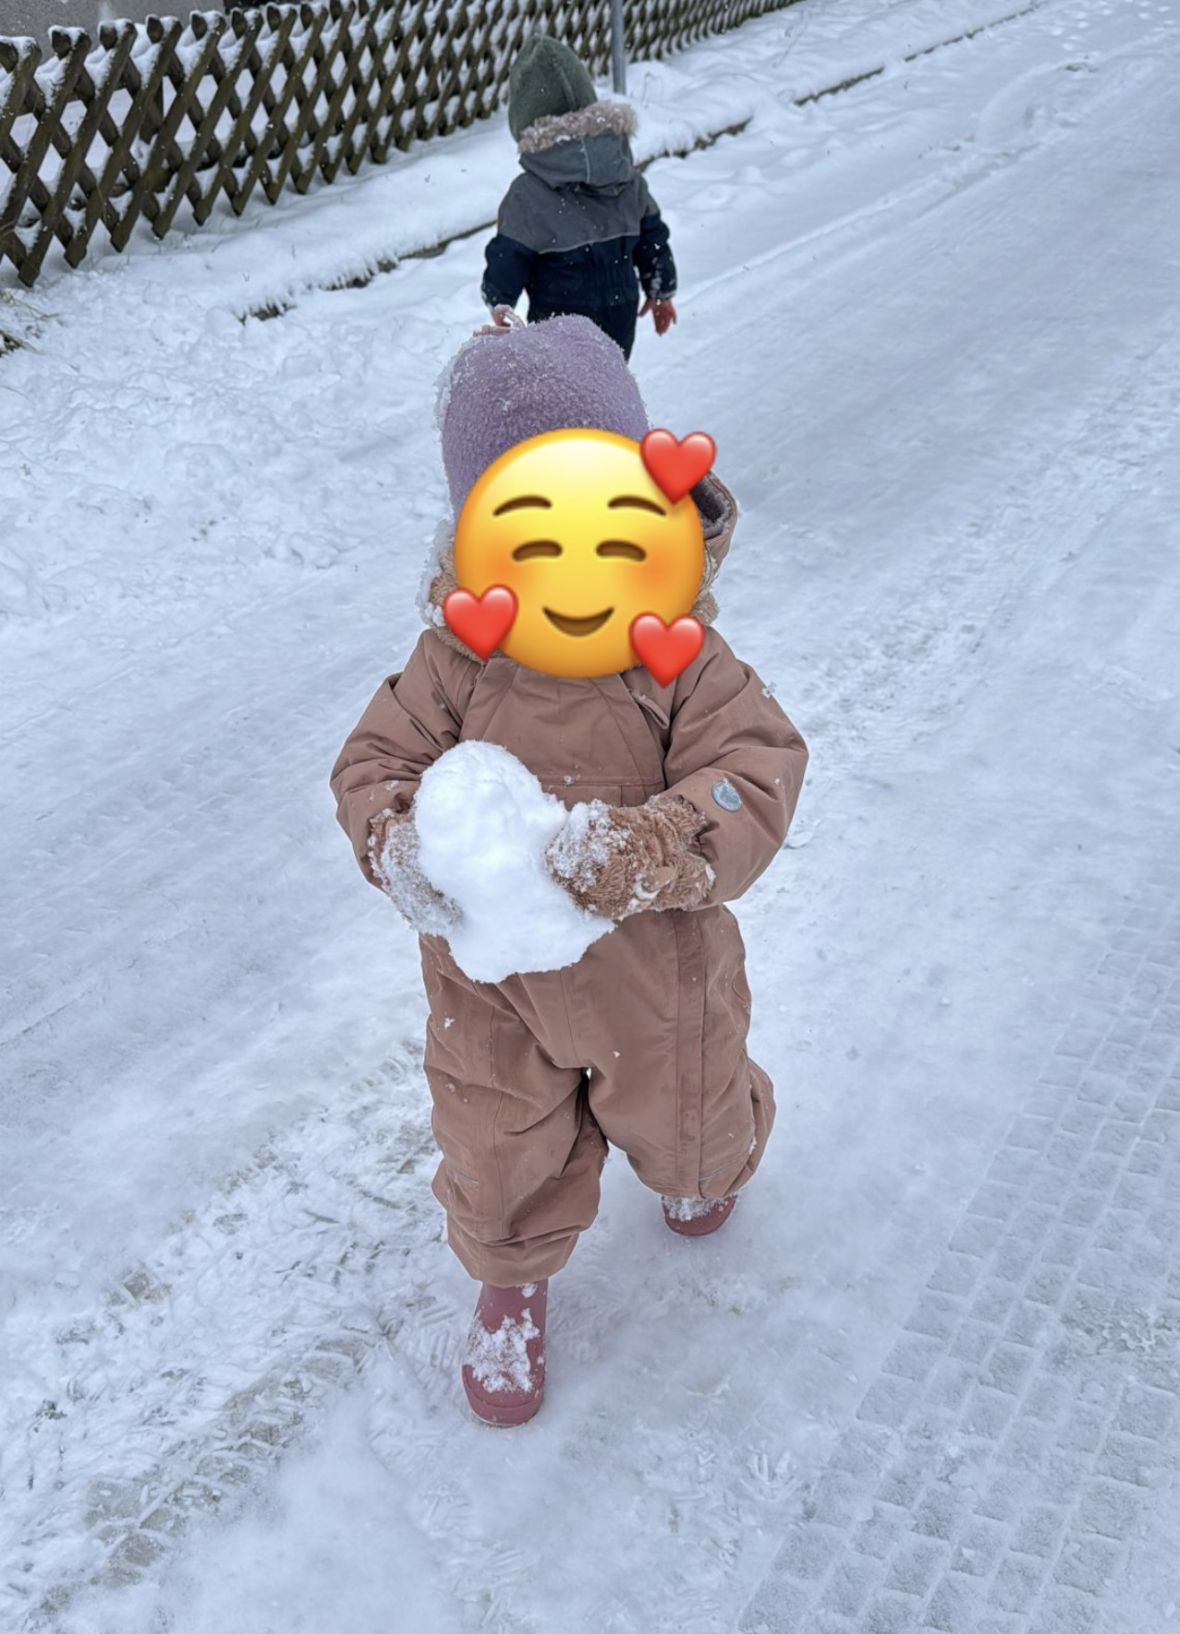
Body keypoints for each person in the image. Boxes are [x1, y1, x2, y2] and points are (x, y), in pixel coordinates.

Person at [330, 316, 808, 1427]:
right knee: (496, 1143)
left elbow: (753, 768)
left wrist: (660, 841)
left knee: (689, 1121)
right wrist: (401, 845)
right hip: (491, 982)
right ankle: (510, 1284)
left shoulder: (681, 659)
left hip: (656, 968)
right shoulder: (454, 662)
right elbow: (373, 763)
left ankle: (706, 1167)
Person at [480, 33, 678, 360]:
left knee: (561, 387)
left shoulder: (527, 194)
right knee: (608, 380)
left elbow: (508, 257)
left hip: (558, 322)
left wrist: (499, 301)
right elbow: (652, 238)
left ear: (523, 121)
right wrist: (661, 289)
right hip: (619, 315)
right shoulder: (625, 176)